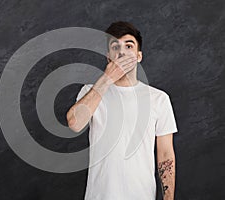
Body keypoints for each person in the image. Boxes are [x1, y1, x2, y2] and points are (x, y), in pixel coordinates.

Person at [66, 21, 178, 200]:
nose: (122, 51)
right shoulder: (90, 91)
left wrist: (168, 198)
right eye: (115, 46)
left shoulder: (158, 99)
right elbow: (75, 123)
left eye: (129, 46)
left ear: (139, 55)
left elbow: (165, 154)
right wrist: (106, 79)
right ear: (108, 56)